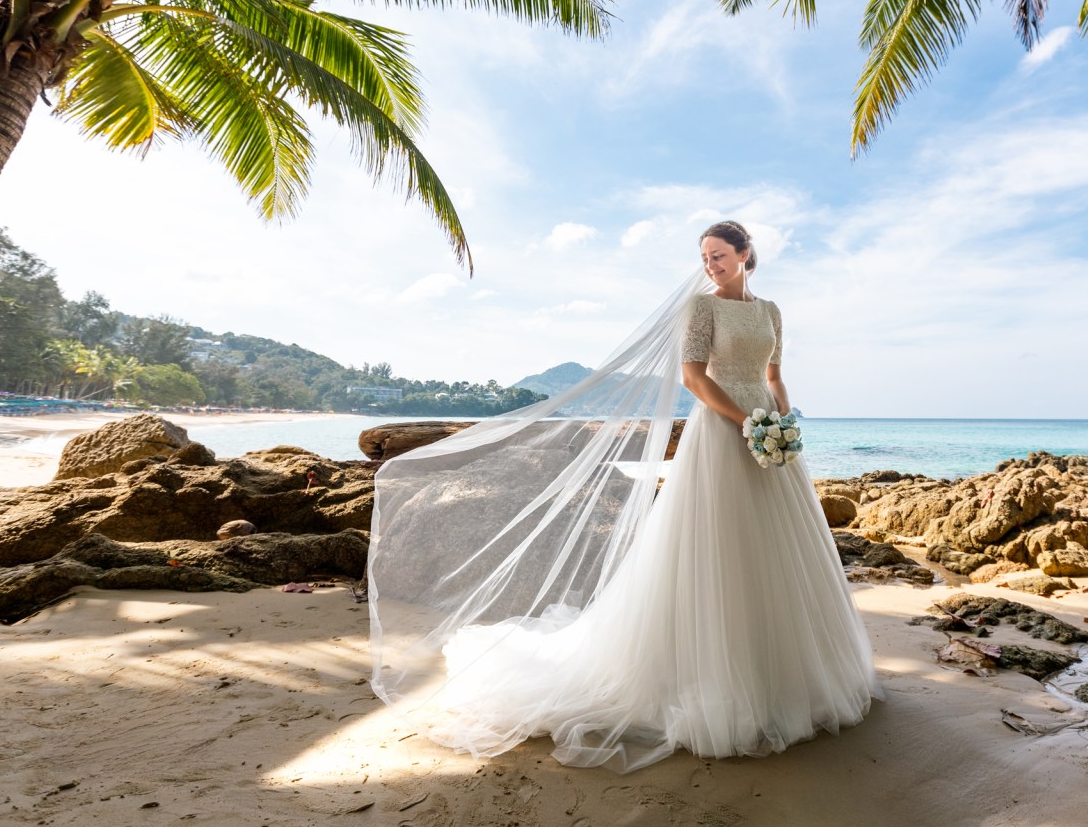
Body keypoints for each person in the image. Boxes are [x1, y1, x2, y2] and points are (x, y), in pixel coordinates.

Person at [368, 220, 881, 771]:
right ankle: (722, 676)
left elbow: (775, 375)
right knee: (722, 542)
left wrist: (782, 420)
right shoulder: (701, 310)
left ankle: (790, 672)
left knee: (782, 546)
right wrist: (746, 422)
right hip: (723, 429)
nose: (710, 264)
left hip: (770, 435)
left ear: (745, 253)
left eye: (719, 255)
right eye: (705, 257)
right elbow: (692, 378)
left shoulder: (771, 311)